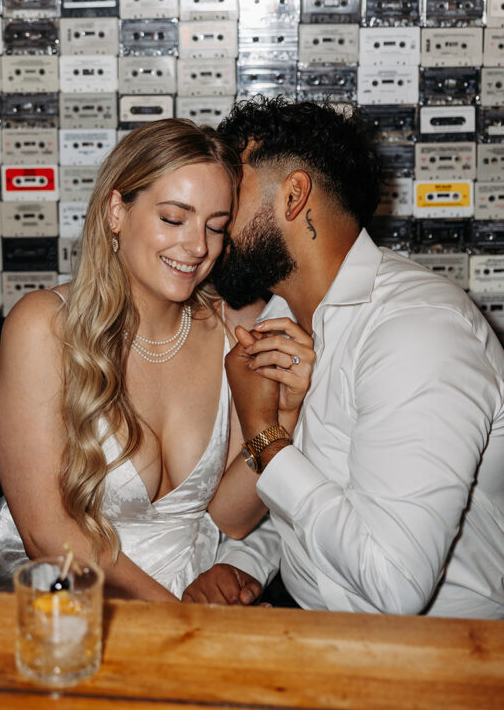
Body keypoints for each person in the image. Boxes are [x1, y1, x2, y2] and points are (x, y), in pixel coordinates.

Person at [183, 97, 504, 618]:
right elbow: (338, 498)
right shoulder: (284, 316)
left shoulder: (416, 332)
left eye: (229, 198)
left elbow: (394, 585)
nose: (211, 231)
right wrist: (250, 561)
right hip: (314, 627)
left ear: (293, 196)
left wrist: (264, 432)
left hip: (437, 660)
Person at [0, 118, 314, 600]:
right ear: (117, 210)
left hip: (189, 592)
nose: (198, 247)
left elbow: (230, 519)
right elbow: (46, 534)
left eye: (216, 227)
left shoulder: (236, 327)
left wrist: (283, 413)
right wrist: (176, 616)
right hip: (66, 597)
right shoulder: (43, 327)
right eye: (174, 219)